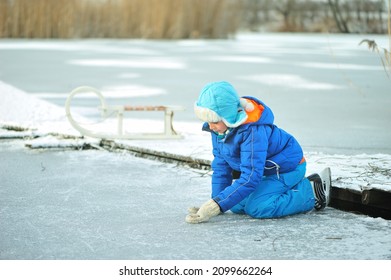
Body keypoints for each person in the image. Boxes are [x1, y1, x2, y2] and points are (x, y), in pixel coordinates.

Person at [186, 81, 331, 224]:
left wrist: (216, 205)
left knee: (259, 207)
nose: (210, 126)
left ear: (228, 116)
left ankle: (312, 190)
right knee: (235, 205)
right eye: (208, 121)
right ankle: (277, 191)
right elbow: (221, 165)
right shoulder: (219, 130)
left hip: (287, 169)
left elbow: (250, 176)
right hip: (265, 171)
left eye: (215, 121)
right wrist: (216, 201)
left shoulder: (252, 132)